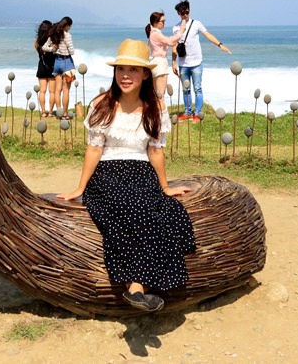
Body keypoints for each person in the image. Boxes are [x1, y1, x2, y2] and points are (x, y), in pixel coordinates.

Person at [57, 39, 196, 312]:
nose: (125, 76)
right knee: (132, 207)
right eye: (121, 69)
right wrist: (80, 188)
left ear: (145, 74)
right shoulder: (102, 103)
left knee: (167, 212)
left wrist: (165, 186)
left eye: (133, 70)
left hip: (142, 173)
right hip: (107, 173)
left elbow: (155, 152)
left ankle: (139, 288)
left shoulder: (156, 107)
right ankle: (137, 287)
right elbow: (95, 148)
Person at [170, 0, 231, 123]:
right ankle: (188, 112)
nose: (185, 15)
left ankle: (197, 113)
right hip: (183, 64)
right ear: (178, 14)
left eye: (187, 12)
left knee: (197, 88)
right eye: (183, 13)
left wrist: (220, 45)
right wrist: (173, 62)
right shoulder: (176, 28)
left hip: (196, 63)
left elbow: (208, 35)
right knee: (185, 89)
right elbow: (174, 45)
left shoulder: (196, 24)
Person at [144, 11, 186, 99]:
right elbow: (170, 42)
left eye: (164, 21)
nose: (164, 23)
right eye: (162, 21)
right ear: (155, 22)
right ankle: (160, 112)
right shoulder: (155, 34)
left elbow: (168, 40)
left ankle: (157, 112)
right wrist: (181, 31)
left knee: (157, 94)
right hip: (160, 63)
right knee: (160, 95)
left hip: (157, 63)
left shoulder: (154, 34)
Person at [42, 16, 76, 119]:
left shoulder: (53, 34)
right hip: (66, 62)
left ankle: (59, 112)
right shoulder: (67, 35)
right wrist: (68, 48)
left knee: (58, 90)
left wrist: (53, 49)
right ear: (67, 25)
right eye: (70, 26)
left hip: (57, 62)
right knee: (66, 90)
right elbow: (72, 51)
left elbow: (44, 47)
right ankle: (65, 114)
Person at [34, 20, 56, 117]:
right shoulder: (52, 41)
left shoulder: (37, 41)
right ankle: (50, 112)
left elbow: (38, 52)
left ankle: (43, 112)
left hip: (42, 66)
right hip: (52, 66)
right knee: (52, 92)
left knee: (42, 91)